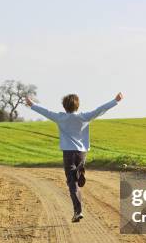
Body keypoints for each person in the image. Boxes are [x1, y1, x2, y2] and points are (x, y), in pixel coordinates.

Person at [25, 92, 124, 222]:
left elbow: (46, 112)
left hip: (68, 153)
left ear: (64, 106)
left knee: (72, 182)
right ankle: (79, 172)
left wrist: (32, 104)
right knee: (76, 177)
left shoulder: (60, 117)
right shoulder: (84, 117)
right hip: (82, 153)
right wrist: (115, 101)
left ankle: (78, 211)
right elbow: (100, 110)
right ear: (78, 105)